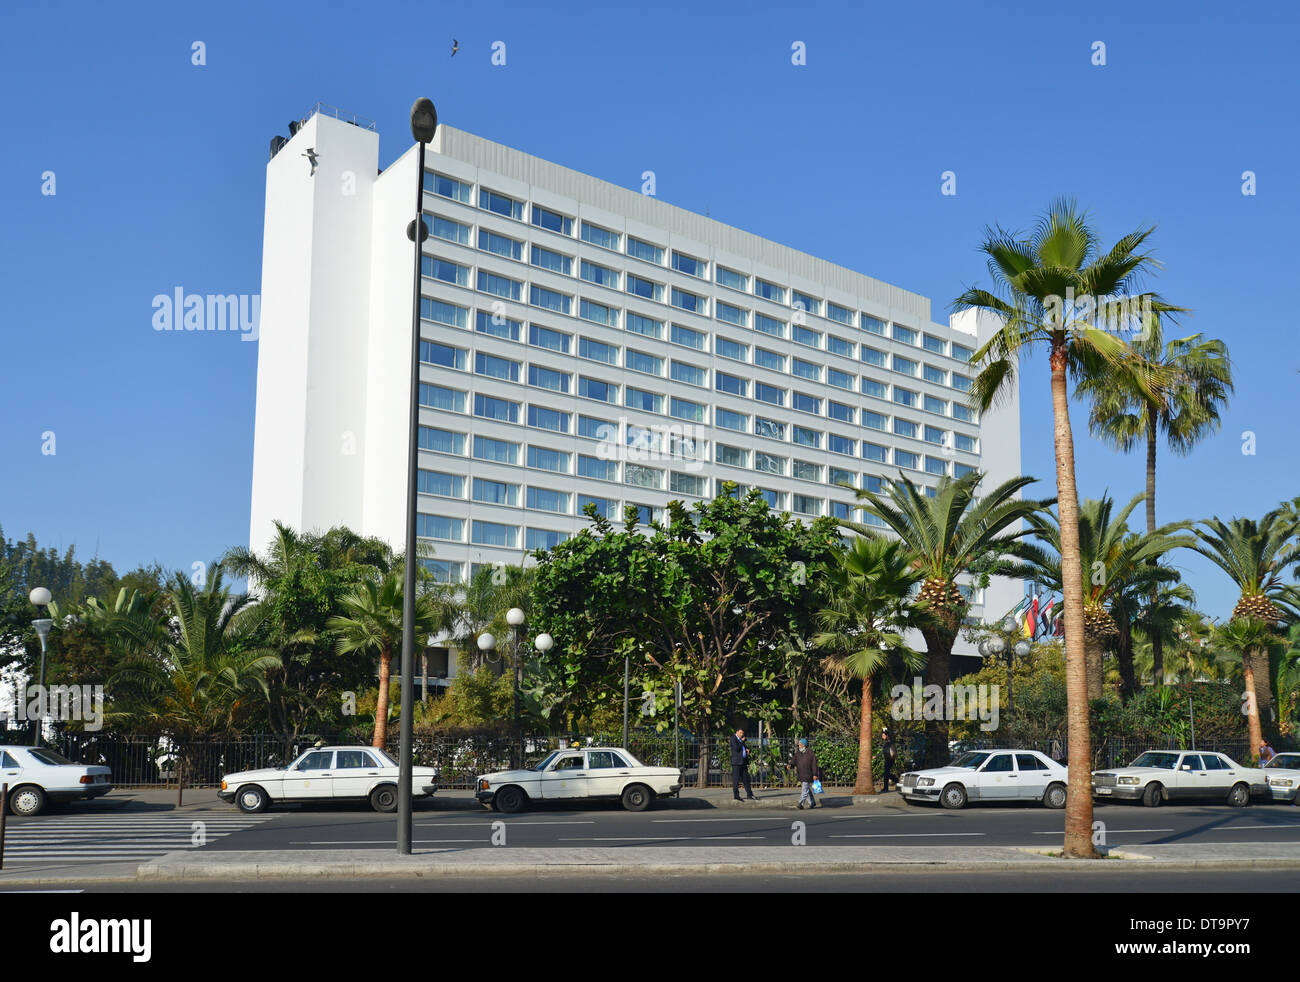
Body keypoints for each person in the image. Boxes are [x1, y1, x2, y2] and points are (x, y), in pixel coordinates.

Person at [787, 737, 822, 809]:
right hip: (801, 773)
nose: (799, 746)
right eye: (799, 745)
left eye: (800, 745)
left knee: (804, 789)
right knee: (806, 789)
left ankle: (801, 803)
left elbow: (814, 764)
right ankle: (812, 802)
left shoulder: (810, 753)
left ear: (804, 745)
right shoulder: (798, 753)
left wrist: (815, 774)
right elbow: (794, 760)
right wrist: (790, 765)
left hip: (808, 774)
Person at [731, 728, 757, 801]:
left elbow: (743, 747)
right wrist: (742, 741)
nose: (741, 734)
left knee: (746, 779)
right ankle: (736, 795)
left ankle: (750, 794)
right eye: (740, 733)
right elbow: (736, 748)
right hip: (736, 762)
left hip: (743, 762)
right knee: (736, 780)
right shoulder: (733, 739)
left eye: (742, 733)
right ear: (736, 732)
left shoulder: (741, 740)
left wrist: (747, 749)